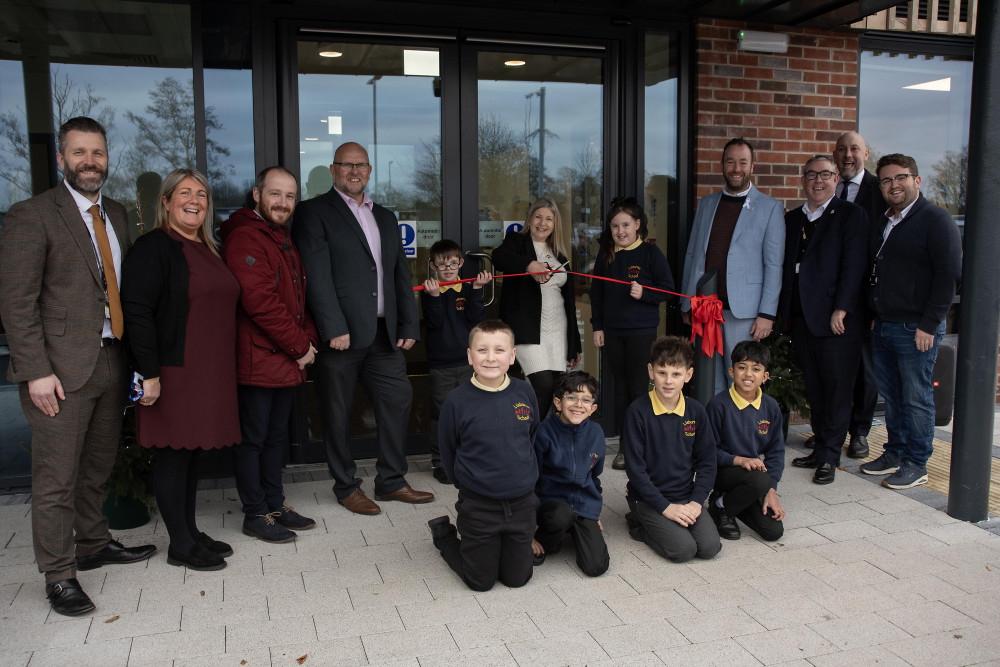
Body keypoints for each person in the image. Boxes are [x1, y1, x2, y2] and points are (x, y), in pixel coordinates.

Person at [0, 116, 155, 615]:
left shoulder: (116, 213)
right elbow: (17, 301)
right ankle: (59, 573)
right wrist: (34, 369)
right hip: (58, 372)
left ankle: (92, 545)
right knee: (56, 479)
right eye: (80, 153)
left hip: (111, 360)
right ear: (63, 158)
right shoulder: (33, 214)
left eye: (99, 154)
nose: (91, 162)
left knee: (97, 467)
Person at [292, 142, 433, 515]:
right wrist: (332, 326)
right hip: (341, 336)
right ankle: (346, 486)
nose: (354, 172)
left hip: (385, 334)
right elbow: (316, 274)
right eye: (347, 165)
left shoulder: (386, 216)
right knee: (338, 412)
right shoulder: (313, 212)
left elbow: (400, 274)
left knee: (398, 399)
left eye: (361, 166)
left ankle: (390, 480)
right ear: (333, 170)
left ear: (369, 171)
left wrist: (408, 322)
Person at [122, 168, 241, 571]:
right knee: (174, 455)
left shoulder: (210, 248)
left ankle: (188, 531)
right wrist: (149, 373)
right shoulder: (154, 247)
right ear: (168, 202)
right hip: (175, 371)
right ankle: (179, 545)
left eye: (202, 194)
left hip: (210, 372)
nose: (195, 200)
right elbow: (137, 312)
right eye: (185, 193)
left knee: (191, 455)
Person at [221, 166, 319, 543]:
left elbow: (296, 299)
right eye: (275, 194)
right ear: (256, 194)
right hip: (258, 359)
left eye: (290, 196)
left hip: (283, 359)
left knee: (275, 438)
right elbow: (259, 303)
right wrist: (299, 346)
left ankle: (275, 504)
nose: (283, 202)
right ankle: (255, 513)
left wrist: (306, 340)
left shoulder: (279, 236)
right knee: (254, 440)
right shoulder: (246, 237)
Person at [860, 154, 962, 490]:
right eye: (886, 180)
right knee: (892, 394)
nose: (893, 185)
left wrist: (929, 324)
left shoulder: (935, 220)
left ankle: (917, 463)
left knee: (916, 397)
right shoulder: (884, 221)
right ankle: (895, 452)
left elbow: (948, 277)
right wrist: (876, 317)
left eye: (900, 177)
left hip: (916, 329)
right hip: (885, 325)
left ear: (917, 181)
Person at [427, 319, 540, 591]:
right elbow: (448, 450)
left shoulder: (524, 391)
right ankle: (444, 536)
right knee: (480, 583)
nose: (491, 358)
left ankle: (501, 547)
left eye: (499, 350)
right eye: (482, 350)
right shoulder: (456, 400)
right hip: (479, 505)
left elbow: (531, 436)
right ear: (469, 355)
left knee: (517, 579)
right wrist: (468, 485)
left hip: (521, 504)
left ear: (512, 356)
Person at [780, 156, 869, 486]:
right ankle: (820, 447)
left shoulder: (850, 216)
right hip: (802, 319)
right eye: (811, 175)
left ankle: (831, 456)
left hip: (836, 322)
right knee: (815, 390)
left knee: (837, 391)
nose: (818, 181)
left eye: (826, 175)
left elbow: (854, 267)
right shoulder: (792, 220)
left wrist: (841, 308)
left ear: (836, 180)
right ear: (803, 180)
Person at [799, 131, 884, 459]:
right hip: (826, 300)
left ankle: (859, 432)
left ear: (866, 153)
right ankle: (829, 434)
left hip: (863, 298)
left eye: (854, 150)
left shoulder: (879, 191)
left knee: (863, 370)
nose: (848, 155)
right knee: (831, 375)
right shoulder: (819, 201)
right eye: (841, 150)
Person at [680, 138, 785, 393]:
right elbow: (693, 254)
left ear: (752, 166)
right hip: (705, 309)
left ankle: (739, 433)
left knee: (741, 381)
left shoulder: (770, 208)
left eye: (742, 162)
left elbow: (774, 265)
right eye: (730, 162)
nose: (736, 168)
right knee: (708, 383)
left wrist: (767, 314)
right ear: (722, 165)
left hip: (745, 315)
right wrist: (686, 301)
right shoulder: (706, 204)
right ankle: (714, 433)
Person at [591, 196, 674, 470]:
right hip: (613, 332)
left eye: (625, 225)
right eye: (615, 226)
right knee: (619, 390)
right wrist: (598, 326)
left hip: (641, 332)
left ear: (637, 224)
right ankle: (625, 446)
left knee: (639, 388)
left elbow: (667, 289)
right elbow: (597, 293)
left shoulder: (651, 253)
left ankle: (637, 448)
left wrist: (645, 293)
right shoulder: (606, 255)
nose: (620, 231)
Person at [622, 336, 721, 563]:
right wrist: (665, 508)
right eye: (662, 372)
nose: (668, 381)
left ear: (688, 374)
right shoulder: (637, 412)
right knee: (683, 550)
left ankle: (673, 521)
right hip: (648, 498)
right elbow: (635, 469)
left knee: (709, 547)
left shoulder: (695, 412)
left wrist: (696, 502)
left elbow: (707, 462)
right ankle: (638, 523)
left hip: (686, 495)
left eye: (676, 374)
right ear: (650, 371)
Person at [493, 197, 582, 419]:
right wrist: (528, 264)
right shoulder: (517, 241)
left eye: (549, 219)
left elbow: (569, 305)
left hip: (558, 332)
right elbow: (499, 257)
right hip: (528, 330)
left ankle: (539, 442)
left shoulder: (560, 255)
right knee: (542, 385)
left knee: (556, 390)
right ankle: (526, 439)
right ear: (530, 219)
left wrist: (574, 345)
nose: (543, 223)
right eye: (538, 216)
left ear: (555, 224)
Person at [421, 239, 492, 484]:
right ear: (433, 266)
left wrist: (476, 290)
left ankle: (468, 458)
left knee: (470, 412)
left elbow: (475, 319)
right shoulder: (431, 291)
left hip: (466, 362)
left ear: (461, 263)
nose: (448, 268)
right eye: (442, 265)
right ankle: (440, 462)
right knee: (441, 414)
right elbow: (434, 322)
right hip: (441, 365)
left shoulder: (466, 288)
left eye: (452, 263)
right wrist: (433, 297)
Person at [531, 370, 609, 577]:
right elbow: (531, 480)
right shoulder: (544, 433)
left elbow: (595, 476)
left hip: (583, 505)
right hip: (552, 504)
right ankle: (546, 539)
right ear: (558, 403)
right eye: (571, 397)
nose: (578, 404)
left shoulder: (596, 434)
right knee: (560, 516)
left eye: (585, 400)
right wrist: (526, 533)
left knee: (596, 567)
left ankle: (579, 526)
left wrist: (594, 513)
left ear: (593, 408)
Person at [706, 340, 785, 541]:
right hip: (723, 472)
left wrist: (771, 491)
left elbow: (776, 452)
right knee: (760, 479)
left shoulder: (770, 407)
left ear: (765, 376)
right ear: (732, 372)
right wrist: (739, 460)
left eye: (756, 369)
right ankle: (720, 503)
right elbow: (707, 451)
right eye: (742, 367)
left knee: (773, 531)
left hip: (752, 478)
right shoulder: (719, 404)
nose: (748, 374)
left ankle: (727, 504)